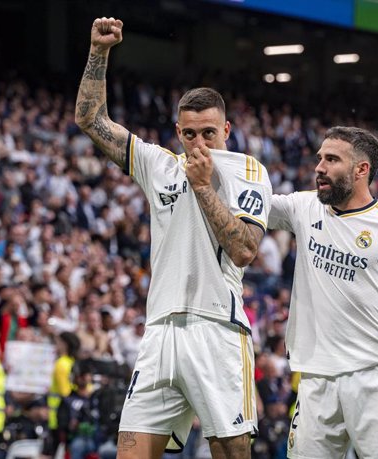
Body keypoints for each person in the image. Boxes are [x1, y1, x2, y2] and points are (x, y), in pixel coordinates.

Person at [74, 17, 272, 459]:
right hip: (159, 332)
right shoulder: (158, 164)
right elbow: (90, 119)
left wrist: (203, 186)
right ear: (177, 132)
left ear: (226, 129)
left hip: (217, 329)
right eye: (188, 133)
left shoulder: (248, 171)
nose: (198, 142)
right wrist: (99, 53)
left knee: (232, 453)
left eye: (207, 132)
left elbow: (244, 249)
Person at [268, 126, 378, 458]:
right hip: (316, 377)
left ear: (361, 170)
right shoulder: (302, 208)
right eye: (320, 158)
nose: (319, 167)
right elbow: (247, 202)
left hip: (374, 377)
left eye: (332, 159)